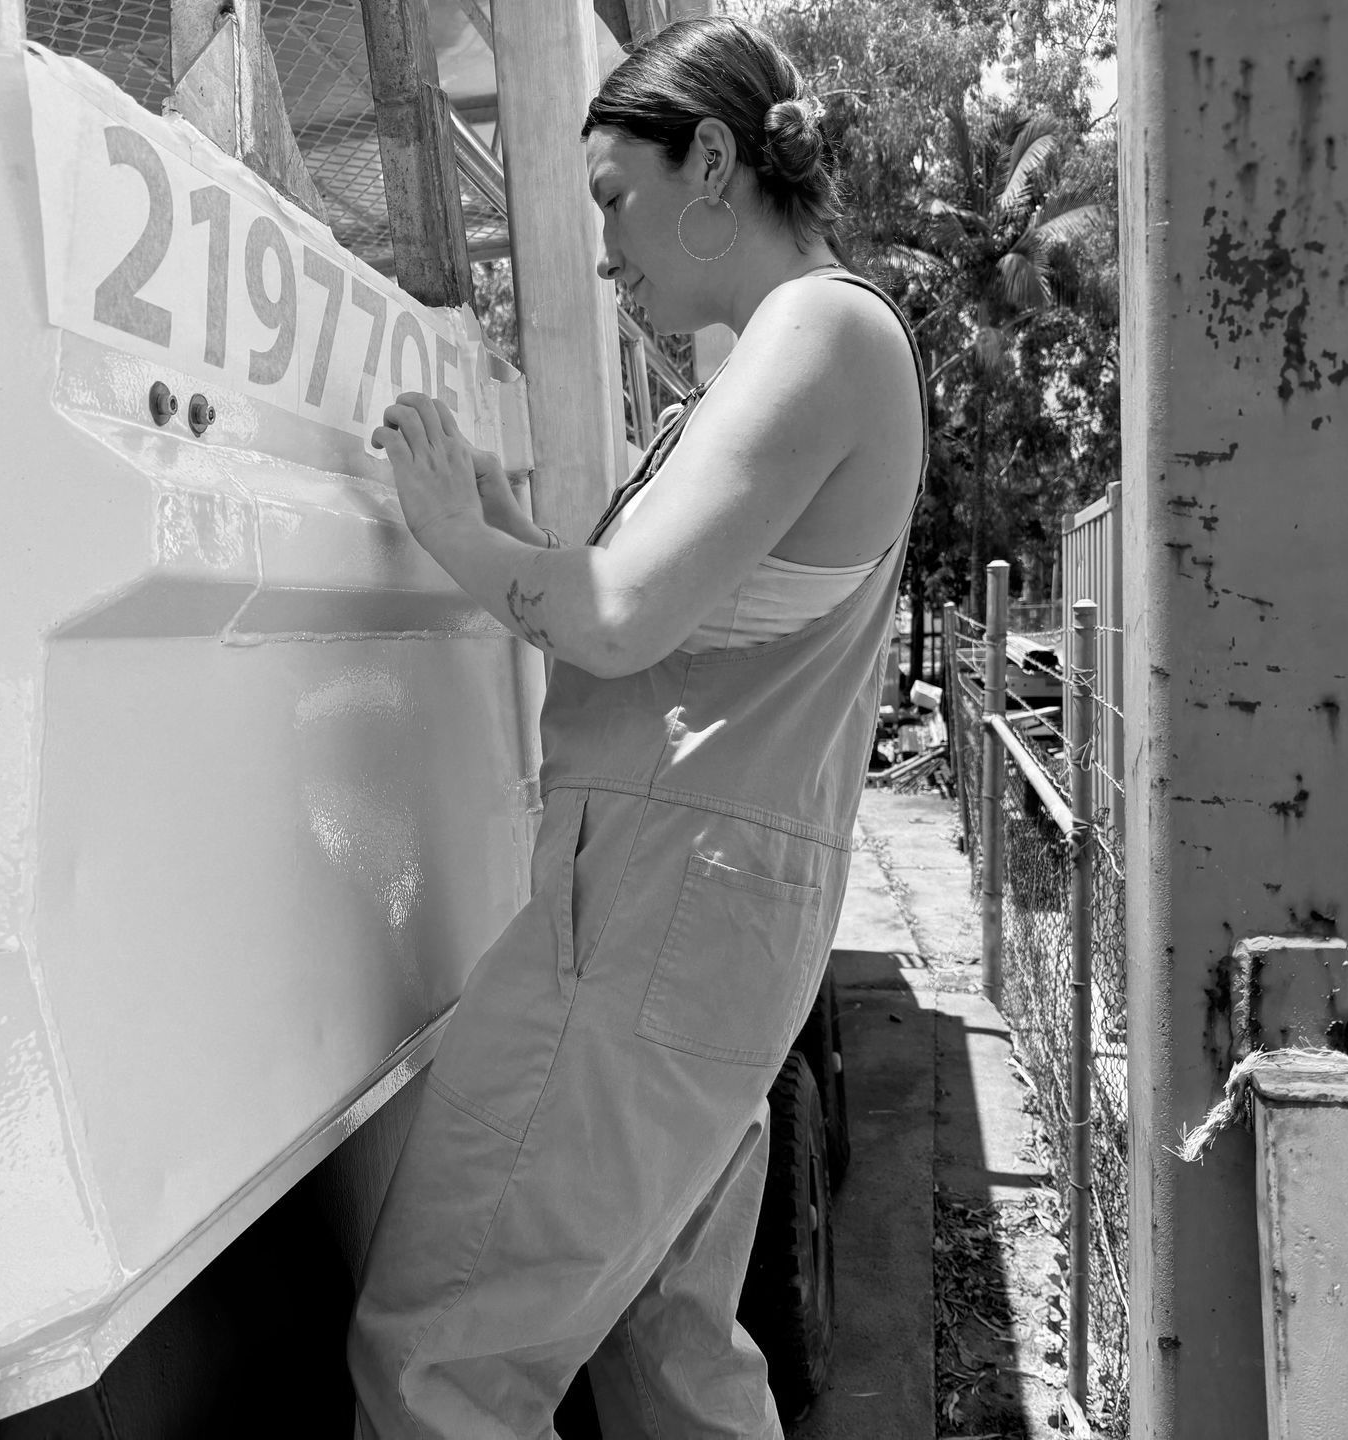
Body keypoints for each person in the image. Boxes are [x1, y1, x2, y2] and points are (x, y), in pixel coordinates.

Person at [347, 15, 926, 1436]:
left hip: (650, 918)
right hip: (708, 927)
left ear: (712, 159)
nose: (607, 254)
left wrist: (446, 537)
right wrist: (506, 533)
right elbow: (671, 631)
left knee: (443, 1363)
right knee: (670, 1348)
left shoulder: (819, 329)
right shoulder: (795, 357)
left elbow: (610, 623)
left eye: (615, 199)